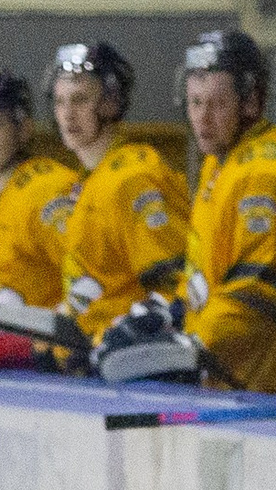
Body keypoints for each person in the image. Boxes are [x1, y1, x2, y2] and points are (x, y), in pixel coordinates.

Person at [99, 30, 276, 396]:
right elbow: (208, 279)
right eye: (194, 102)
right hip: (258, 386)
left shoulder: (265, 173)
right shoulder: (220, 164)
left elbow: (257, 292)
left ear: (251, 102)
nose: (202, 119)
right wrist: (168, 316)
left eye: (217, 103)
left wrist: (187, 344)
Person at [48, 41, 190, 345]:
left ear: (111, 103)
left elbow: (177, 287)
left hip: (128, 370)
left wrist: (122, 337)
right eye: (60, 102)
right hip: (92, 358)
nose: (67, 114)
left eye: (81, 100)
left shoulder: (133, 177)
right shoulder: (88, 181)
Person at [0, 67, 79, 369]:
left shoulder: (49, 189)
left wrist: (42, 341)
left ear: (22, 128)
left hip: (59, 365)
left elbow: (91, 277)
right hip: (14, 367)